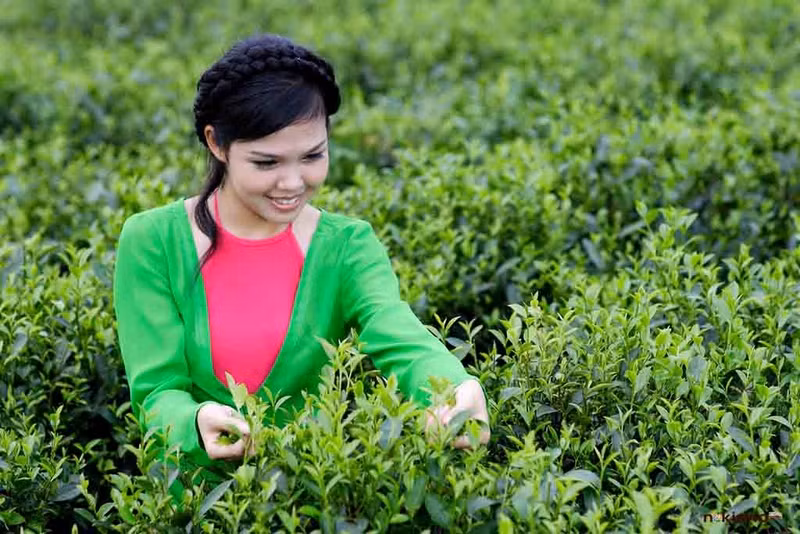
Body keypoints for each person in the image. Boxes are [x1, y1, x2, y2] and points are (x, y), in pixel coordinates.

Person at [112, 33, 490, 496]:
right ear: (216, 143)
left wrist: (454, 389)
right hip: (190, 504)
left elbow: (400, 336)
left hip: (308, 498)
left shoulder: (347, 246)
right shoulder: (152, 241)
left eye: (313, 155)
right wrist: (193, 421)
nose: (292, 183)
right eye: (266, 162)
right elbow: (155, 391)